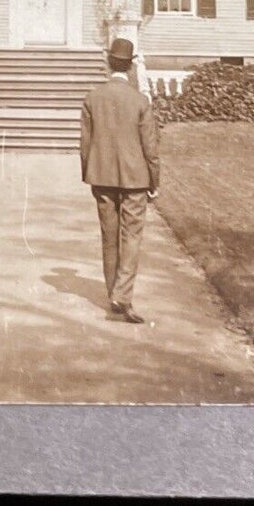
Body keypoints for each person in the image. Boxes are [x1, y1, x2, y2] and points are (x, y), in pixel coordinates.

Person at [79, 37, 160, 324]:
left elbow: (85, 144)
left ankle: (114, 292)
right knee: (132, 236)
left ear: (108, 62)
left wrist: (89, 173)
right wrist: (154, 181)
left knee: (109, 237)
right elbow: (150, 147)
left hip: (101, 176)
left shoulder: (92, 98)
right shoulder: (140, 101)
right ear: (131, 66)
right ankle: (122, 296)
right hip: (136, 179)